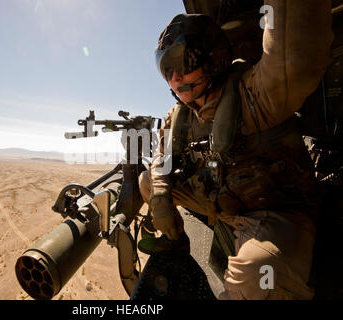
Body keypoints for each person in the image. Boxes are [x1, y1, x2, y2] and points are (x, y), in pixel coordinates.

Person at [138, 0, 334, 299]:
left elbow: (295, 57)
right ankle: (176, 242)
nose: (174, 78)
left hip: (274, 210)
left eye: (182, 63)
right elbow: (160, 155)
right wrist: (162, 196)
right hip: (222, 205)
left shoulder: (256, 95)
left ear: (213, 59)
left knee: (260, 275)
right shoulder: (181, 115)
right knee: (148, 182)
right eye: (166, 68)